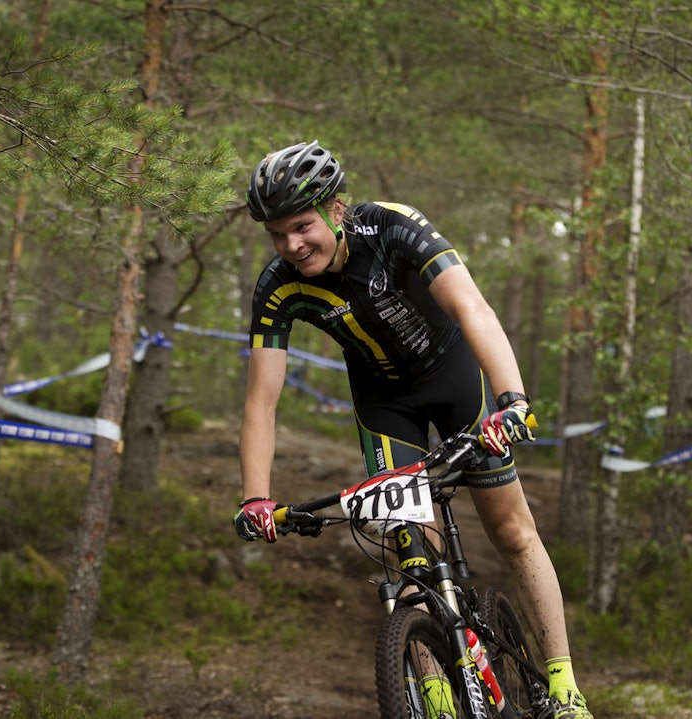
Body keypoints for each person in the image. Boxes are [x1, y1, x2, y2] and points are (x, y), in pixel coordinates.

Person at [232, 141, 593, 719]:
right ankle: (434, 699)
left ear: (336, 209)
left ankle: (564, 686)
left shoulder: (393, 227)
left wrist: (512, 401)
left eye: (302, 227)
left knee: (512, 532)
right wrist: (256, 497)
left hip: (456, 383)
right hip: (385, 406)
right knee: (413, 560)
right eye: (277, 235)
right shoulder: (278, 287)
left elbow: (473, 309)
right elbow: (261, 402)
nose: (291, 245)